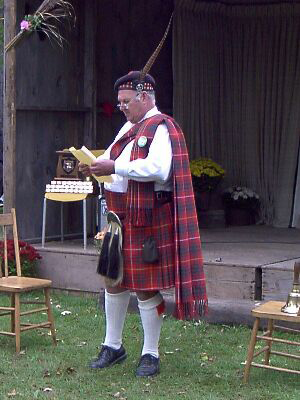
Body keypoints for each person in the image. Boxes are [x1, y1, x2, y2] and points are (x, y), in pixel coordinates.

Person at [79, 70, 207, 377]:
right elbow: (114, 165)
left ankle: (151, 353)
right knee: (114, 281)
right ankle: (113, 346)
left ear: (143, 97)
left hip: (146, 219)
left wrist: (114, 165)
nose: (121, 106)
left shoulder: (161, 127)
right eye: (120, 101)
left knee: (146, 288)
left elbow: (158, 169)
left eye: (125, 101)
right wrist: (96, 168)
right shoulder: (128, 127)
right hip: (119, 216)